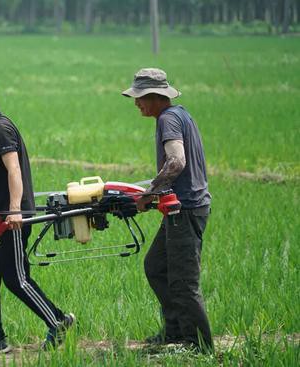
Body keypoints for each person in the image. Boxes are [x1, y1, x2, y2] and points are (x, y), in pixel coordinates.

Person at [0, 79, 75, 355]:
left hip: (10, 219)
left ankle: (58, 321)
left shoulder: (1, 129)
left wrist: (14, 210)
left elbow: (14, 170)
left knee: (16, 279)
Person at [122, 68, 213, 352]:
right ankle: (175, 331)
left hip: (186, 210)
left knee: (184, 281)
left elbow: (176, 162)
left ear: (155, 96)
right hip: (183, 208)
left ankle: (198, 344)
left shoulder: (168, 119)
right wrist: (154, 194)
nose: (136, 103)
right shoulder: (179, 115)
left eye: (140, 97)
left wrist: (149, 193)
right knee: (156, 267)